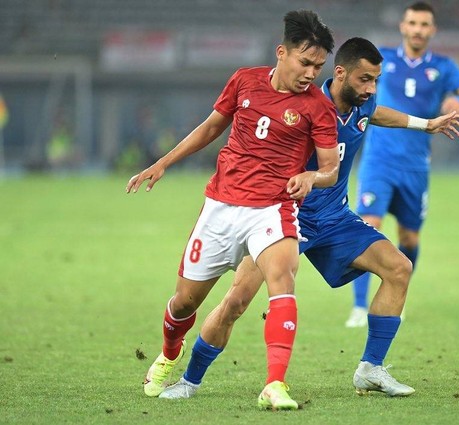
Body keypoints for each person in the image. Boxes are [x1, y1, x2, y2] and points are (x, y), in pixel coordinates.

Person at [156, 37, 459, 403]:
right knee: (237, 300)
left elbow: (378, 113)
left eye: (375, 80)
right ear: (340, 74)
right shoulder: (307, 106)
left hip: (334, 218)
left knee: (399, 268)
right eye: (365, 79)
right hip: (284, 215)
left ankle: (371, 368)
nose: (371, 88)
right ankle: (191, 381)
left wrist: (425, 124)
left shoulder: (362, 105)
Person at [126, 10, 338, 410]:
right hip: (221, 209)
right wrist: (163, 162)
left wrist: (312, 178)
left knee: (282, 280)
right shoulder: (244, 80)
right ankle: (170, 354)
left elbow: (330, 168)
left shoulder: (317, 108)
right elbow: (210, 128)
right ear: (282, 53)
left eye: (318, 66)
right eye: (305, 62)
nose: (311, 73)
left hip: (272, 211)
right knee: (185, 302)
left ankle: (275, 384)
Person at [348, 2, 459, 327]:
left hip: (415, 167)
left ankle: (396, 295)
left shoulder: (444, 67)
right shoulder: (382, 60)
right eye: (413, 23)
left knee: (409, 238)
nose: (418, 29)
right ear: (403, 27)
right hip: (378, 161)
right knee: (368, 227)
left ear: (432, 30)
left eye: (424, 24)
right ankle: (358, 307)